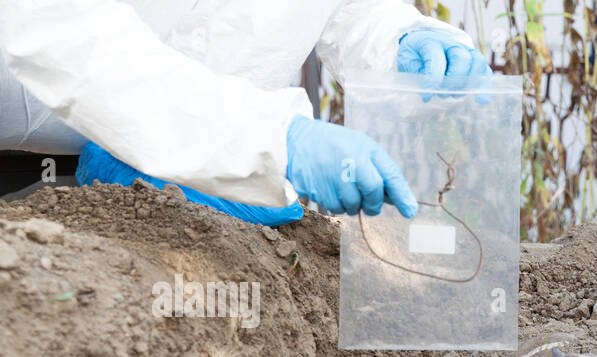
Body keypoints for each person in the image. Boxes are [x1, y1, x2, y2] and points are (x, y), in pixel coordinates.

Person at [0, 0, 489, 222]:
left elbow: (342, 10)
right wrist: (274, 142)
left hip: (218, 169)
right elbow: (70, 44)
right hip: (27, 150)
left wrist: (398, 36)